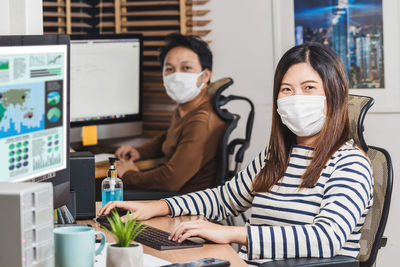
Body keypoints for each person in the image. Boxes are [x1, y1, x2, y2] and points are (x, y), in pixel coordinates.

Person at [100, 43, 373, 265]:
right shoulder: (276, 155)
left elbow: (326, 238)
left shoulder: (350, 163)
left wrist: (231, 233)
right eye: (287, 89)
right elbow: (224, 199)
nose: (295, 97)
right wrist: (158, 206)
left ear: (334, 95)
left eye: (309, 87)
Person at [114, 34, 226, 193]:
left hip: (183, 204)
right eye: (169, 69)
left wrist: (128, 175)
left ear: (205, 75)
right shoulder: (188, 109)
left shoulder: (202, 121)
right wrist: (140, 152)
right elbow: (169, 137)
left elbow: (170, 180)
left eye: (186, 68)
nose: (176, 76)